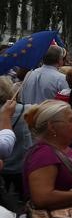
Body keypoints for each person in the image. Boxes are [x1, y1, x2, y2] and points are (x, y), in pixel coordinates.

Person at [0, 79, 30, 208]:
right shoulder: (26, 109)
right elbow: (5, 146)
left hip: (4, 168)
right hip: (21, 164)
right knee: (26, 198)